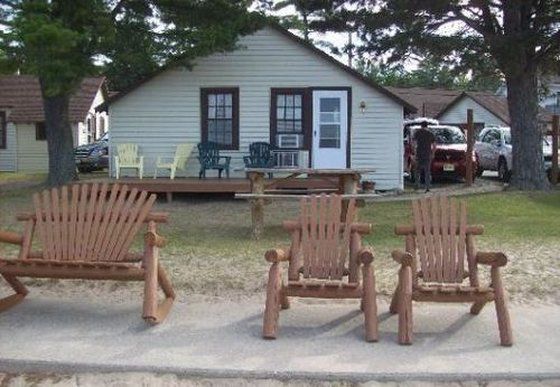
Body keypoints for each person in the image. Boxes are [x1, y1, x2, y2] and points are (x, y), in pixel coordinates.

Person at [413, 121, 436, 192]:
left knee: (417, 170)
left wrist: (414, 153)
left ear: (421, 126)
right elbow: (434, 145)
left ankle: (417, 185)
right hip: (427, 154)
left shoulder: (417, 133)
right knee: (427, 171)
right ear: (427, 126)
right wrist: (433, 153)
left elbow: (414, 143)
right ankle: (427, 187)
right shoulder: (431, 134)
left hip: (419, 153)